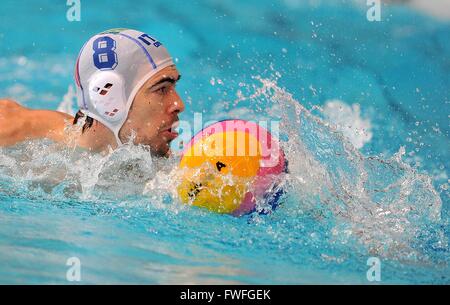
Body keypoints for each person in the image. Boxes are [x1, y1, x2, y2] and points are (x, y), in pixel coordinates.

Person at [0, 28, 184, 157]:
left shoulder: (166, 167)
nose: (179, 104)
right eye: (161, 89)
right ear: (108, 98)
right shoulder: (16, 134)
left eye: (173, 87)